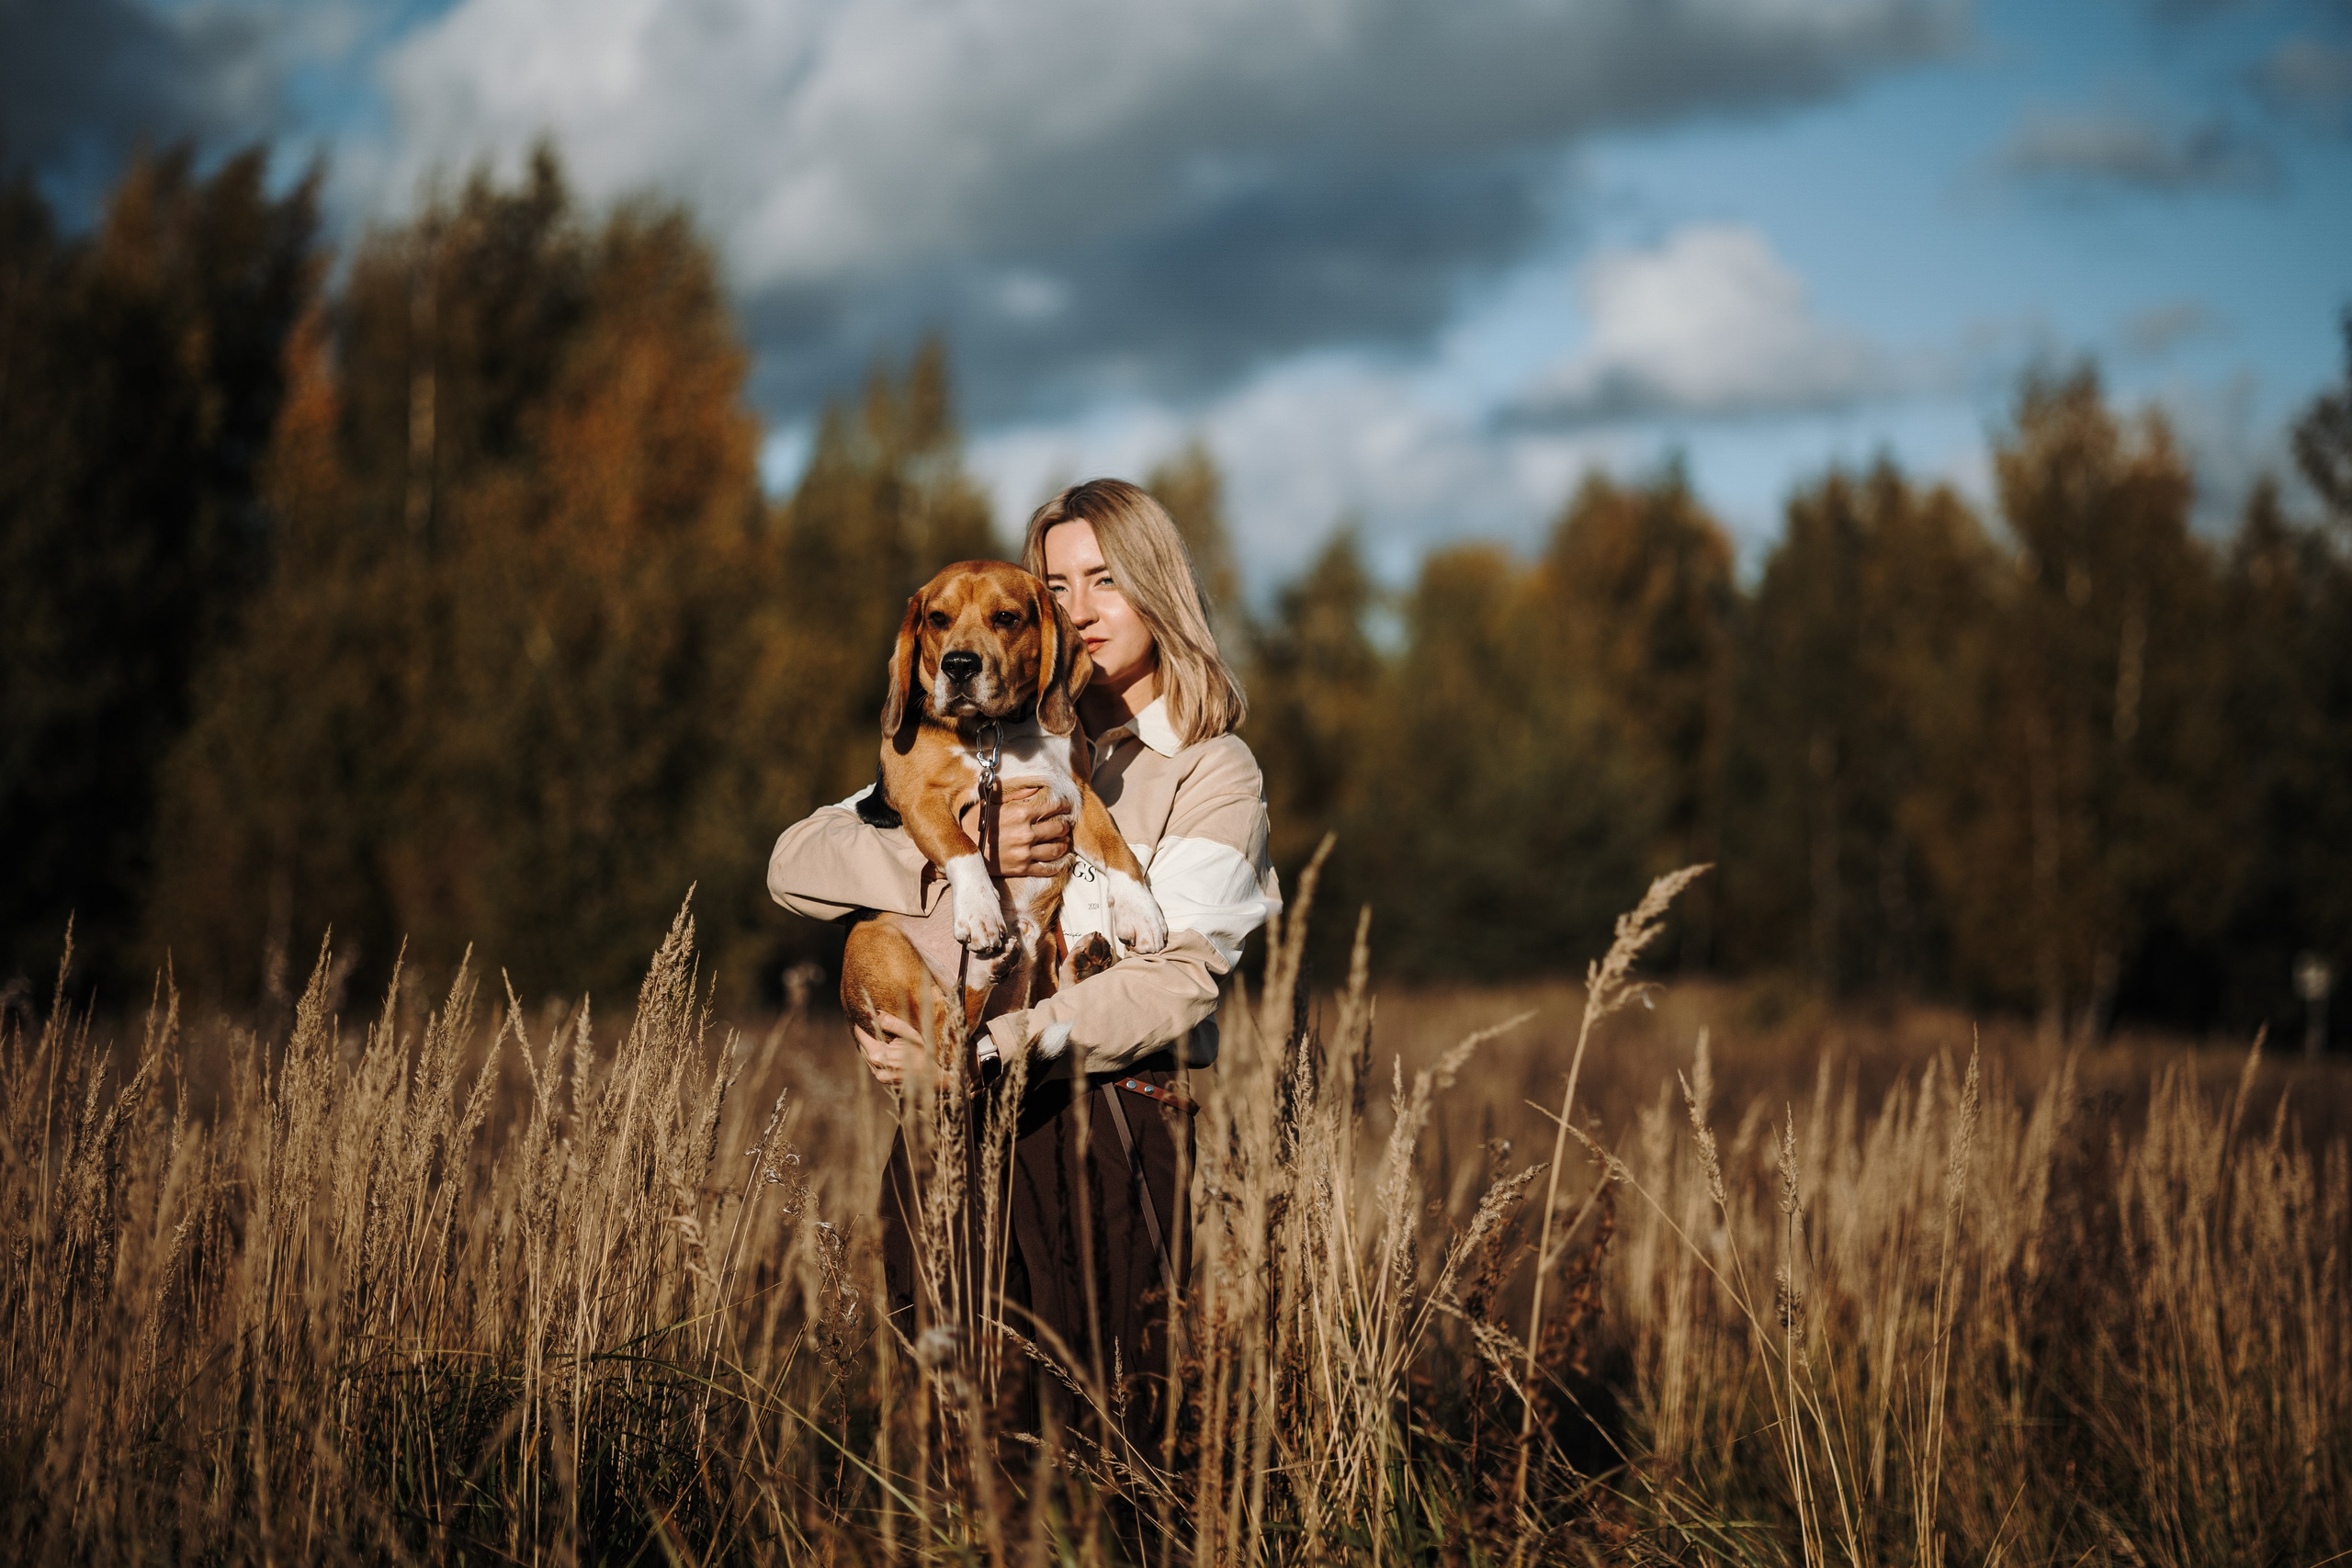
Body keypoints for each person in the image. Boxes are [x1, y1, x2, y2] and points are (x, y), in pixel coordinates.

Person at [766, 478, 1280, 1453]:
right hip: (946, 1120)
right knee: (954, 1435)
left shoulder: (1210, 769)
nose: (1077, 609)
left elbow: (1180, 980)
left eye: (1105, 581)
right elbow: (794, 864)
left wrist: (991, 1048)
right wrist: (957, 854)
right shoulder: (975, 741)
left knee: (1106, 1443)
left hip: (1105, 1122)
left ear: (1158, 591)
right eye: (1057, 585)